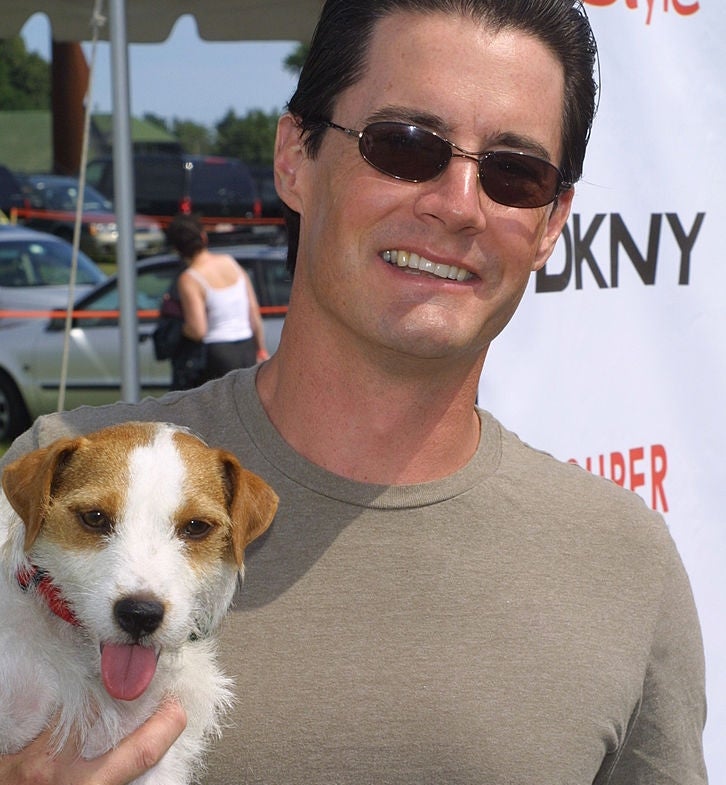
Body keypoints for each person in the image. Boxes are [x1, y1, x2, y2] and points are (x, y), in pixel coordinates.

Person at [0, 1, 708, 783]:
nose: (457, 203)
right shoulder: (50, 491)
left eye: (515, 172)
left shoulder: (624, 563)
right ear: (294, 156)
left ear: (551, 223)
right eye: (405, 147)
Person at [166, 213, 269, 389]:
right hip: (246, 346)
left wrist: (177, 328)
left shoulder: (189, 278)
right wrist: (260, 347)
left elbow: (198, 329)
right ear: (203, 236)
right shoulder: (229, 262)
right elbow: (253, 310)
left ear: (177, 248)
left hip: (218, 352)